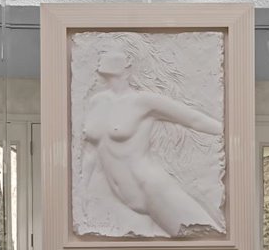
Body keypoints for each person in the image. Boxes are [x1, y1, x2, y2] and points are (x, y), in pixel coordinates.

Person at [80, 49, 223, 237]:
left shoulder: (144, 101)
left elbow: (194, 120)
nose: (102, 56)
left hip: (151, 189)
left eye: (115, 54)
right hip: (122, 198)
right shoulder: (96, 102)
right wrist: (81, 194)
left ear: (128, 67)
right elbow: (91, 152)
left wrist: (233, 132)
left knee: (203, 239)